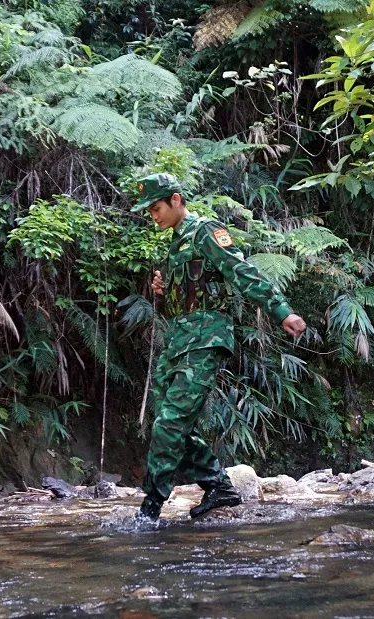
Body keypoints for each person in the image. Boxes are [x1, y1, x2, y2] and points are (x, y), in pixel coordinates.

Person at [131, 173, 307, 521]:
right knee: (172, 423)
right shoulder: (177, 242)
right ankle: (219, 486)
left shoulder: (205, 232)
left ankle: (149, 510)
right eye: (149, 211)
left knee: (169, 424)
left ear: (176, 200)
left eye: (156, 208)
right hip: (178, 342)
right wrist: (165, 292)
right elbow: (191, 295)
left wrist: (282, 311)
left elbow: (241, 272)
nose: (153, 216)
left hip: (206, 339)